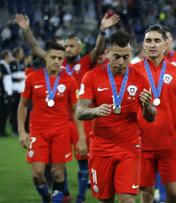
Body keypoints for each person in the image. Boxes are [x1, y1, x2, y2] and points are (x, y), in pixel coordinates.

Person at [15, 13, 119, 203]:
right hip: (57, 120)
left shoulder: (85, 63)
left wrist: (103, 32)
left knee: (80, 161)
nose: (68, 49)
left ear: (79, 48)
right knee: (46, 168)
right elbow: (37, 48)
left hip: (79, 118)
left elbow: (98, 49)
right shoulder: (56, 64)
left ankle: (79, 197)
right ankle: (61, 194)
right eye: (66, 46)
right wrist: (27, 31)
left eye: (71, 46)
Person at [76, 31, 156, 203]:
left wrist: (147, 106)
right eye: (116, 57)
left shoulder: (140, 79)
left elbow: (150, 117)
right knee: (105, 199)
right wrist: (95, 111)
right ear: (107, 53)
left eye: (126, 57)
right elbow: (80, 112)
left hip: (129, 147)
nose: (121, 62)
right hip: (101, 148)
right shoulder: (91, 76)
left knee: (127, 199)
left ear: (131, 54)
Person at [17, 41, 87, 203]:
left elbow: (77, 111)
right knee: (37, 174)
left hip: (60, 131)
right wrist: (22, 131)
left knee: (57, 173)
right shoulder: (33, 78)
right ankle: (47, 197)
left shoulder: (69, 81)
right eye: (53, 57)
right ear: (46, 57)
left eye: (60, 58)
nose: (57, 61)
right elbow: (23, 105)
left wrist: (81, 138)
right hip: (38, 131)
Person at [132, 25, 176, 203]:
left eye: (157, 40)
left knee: (174, 193)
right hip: (142, 143)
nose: (153, 44)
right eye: (149, 41)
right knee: (146, 193)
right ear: (143, 45)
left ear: (165, 45)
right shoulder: (133, 71)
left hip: (170, 142)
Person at [9, 47, 26, 136]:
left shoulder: (22, 63)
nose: (22, 54)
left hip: (21, 90)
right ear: (17, 54)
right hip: (14, 90)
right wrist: (22, 77)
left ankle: (21, 129)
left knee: (21, 110)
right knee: (14, 111)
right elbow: (12, 76)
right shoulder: (12, 63)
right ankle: (14, 130)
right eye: (21, 52)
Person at [0, 50, 13, 136]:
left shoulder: (6, 65)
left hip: (7, 92)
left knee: (5, 112)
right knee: (2, 112)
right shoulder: (1, 65)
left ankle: (3, 131)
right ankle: (1, 131)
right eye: (9, 56)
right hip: (2, 92)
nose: (11, 57)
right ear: (6, 56)